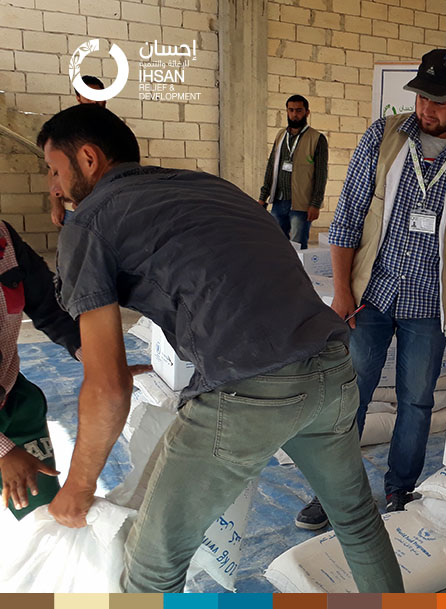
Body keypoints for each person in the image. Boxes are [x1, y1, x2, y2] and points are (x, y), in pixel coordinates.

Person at [37, 104, 403, 593]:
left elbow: (108, 387)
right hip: (331, 367)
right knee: (357, 519)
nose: (52, 187)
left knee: (151, 569)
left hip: (250, 388)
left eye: (53, 171)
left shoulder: (92, 223)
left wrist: (78, 490)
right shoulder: (204, 186)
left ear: (87, 159)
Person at [295, 48, 446, 530]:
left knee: (416, 400)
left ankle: (399, 492)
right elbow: (346, 220)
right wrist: (341, 292)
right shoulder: (382, 137)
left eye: (440, 101)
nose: (427, 108)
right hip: (372, 296)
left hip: (430, 304)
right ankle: (333, 490)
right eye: (422, 97)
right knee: (352, 394)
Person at [0, 222, 81, 520]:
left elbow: (48, 304)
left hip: (11, 397)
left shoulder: (3, 240)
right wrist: (4, 451)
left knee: (45, 514)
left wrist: (91, 353)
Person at [258, 95, 328, 249]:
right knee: (277, 245)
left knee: (297, 247)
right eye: (291, 110)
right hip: (278, 201)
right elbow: (271, 167)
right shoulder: (281, 135)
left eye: (299, 110)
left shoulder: (317, 139)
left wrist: (315, 204)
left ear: (307, 112)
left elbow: (321, 175)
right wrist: (263, 197)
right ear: (287, 111)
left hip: (301, 204)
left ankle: (296, 273)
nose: (294, 114)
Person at [50, 75, 107, 228]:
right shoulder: (66, 129)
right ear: (78, 98)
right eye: (89, 96)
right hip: (74, 212)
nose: (95, 100)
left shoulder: (114, 130)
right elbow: (53, 171)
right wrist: (56, 205)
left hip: (108, 209)